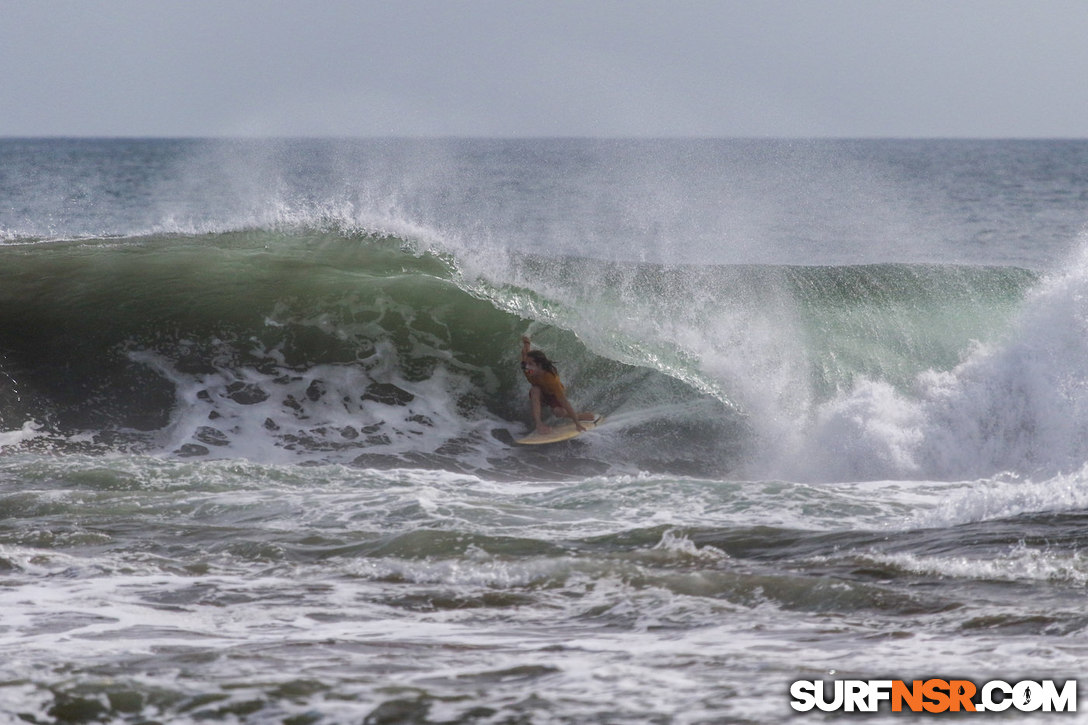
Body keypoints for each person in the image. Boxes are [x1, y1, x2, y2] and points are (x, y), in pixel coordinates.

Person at [520, 335, 595, 435]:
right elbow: (525, 353)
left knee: (559, 412)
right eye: (527, 364)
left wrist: (577, 423)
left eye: (531, 364)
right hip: (540, 394)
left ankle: (579, 416)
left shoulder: (551, 379)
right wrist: (527, 342)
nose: (527, 367)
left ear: (539, 366)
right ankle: (539, 424)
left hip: (552, 394)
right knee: (535, 390)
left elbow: (564, 401)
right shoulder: (527, 369)